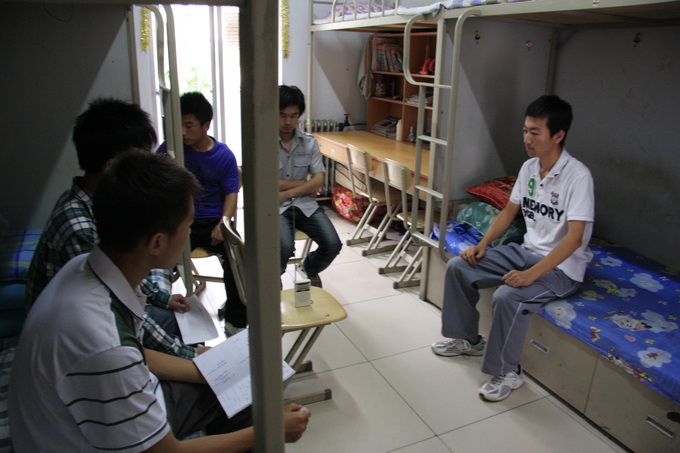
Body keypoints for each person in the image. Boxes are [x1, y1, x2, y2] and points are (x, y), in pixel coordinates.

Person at [9, 151, 311, 452]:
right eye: (188, 225)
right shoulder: (104, 343)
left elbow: (139, 354)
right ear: (157, 242)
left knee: (242, 384)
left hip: (87, 418)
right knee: (255, 412)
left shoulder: (84, 269)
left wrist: (212, 368)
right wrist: (269, 431)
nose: (190, 233)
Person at [431, 95, 595, 402]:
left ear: (558, 135)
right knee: (459, 267)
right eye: (525, 131)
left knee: (508, 296)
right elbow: (509, 211)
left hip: (562, 267)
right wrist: (481, 245)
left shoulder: (578, 177)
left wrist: (531, 275)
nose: (527, 139)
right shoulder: (530, 168)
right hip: (526, 251)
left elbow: (574, 239)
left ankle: (508, 372)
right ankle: (468, 340)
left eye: (535, 132)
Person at [26, 98, 202, 359]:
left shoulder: (96, 202)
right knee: (180, 331)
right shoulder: (80, 228)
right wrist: (192, 357)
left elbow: (124, 279)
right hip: (72, 342)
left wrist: (162, 298)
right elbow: (123, 309)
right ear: (113, 167)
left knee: (182, 320)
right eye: (143, 158)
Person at [156, 92, 244, 336]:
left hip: (213, 220)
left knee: (238, 260)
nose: (182, 132)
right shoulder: (171, 149)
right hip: (181, 221)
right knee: (159, 257)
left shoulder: (223, 155)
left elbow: (231, 193)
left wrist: (223, 223)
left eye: (189, 125)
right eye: (178, 125)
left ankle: (236, 320)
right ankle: (163, 313)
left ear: (206, 125)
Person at [278, 85, 342, 288]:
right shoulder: (263, 143)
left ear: (299, 115)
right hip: (275, 207)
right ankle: (272, 278)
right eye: (282, 115)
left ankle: (309, 268)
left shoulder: (309, 142)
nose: (288, 122)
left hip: (304, 204)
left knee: (333, 244)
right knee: (284, 247)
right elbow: (267, 183)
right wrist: (305, 184)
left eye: (293, 116)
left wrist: (287, 192)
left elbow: (319, 181)